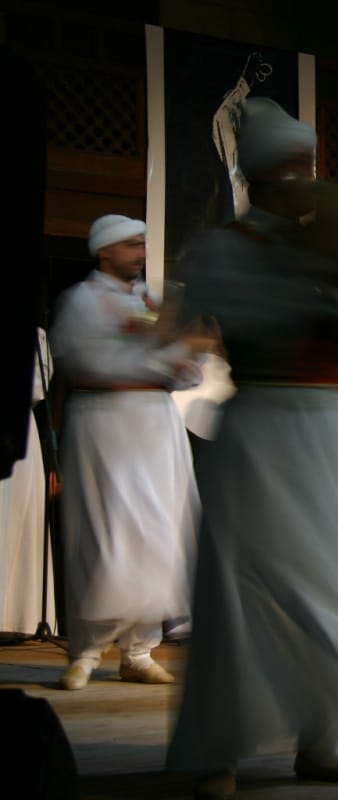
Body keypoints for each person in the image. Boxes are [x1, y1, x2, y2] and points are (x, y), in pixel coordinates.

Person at [165, 97, 338, 799]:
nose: (300, 179)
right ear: (256, 175)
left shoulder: (336, 246)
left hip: (324, 427)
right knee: (240, 588)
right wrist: (310, 268)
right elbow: (234, 317)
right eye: (287, 167)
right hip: (258, 424)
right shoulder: (224, 248)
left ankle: (323, 743)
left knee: (335, 579)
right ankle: (214, 753)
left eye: (305, 166)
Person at [49, 215, 204, 691]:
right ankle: (88, 651)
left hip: (156, 424)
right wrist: (154, 351)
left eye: (143, 244)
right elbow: (86, 361)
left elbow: (189, 370)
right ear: (104, 252)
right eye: (132, 245)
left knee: (156, 531)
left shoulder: (153, 302)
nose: (140, 253)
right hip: (104, 423)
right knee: (105, 530)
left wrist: (178, 350)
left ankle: (139, 652)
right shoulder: (81, 301)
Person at [0, 328, 56, 636]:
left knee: (14, 518)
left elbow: (38, 386)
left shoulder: (34, 333)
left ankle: (14, 618)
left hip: (14, 426)